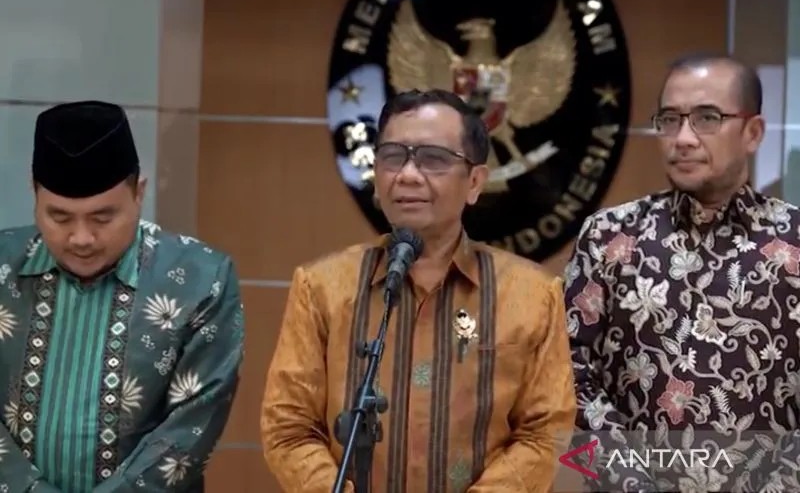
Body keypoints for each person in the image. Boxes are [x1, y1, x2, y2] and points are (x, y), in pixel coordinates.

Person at [261, 88, 576, 492]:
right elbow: (288, 428)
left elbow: (546, 433)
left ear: (475, 182)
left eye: (433, 159)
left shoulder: (532, 296)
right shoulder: (322, 288)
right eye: (393, 156)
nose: (408, 175)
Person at [565, 53, 800, 492]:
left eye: (707, 118)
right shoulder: (609, 237)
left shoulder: (794, 242)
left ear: (753, 132)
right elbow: (569, 375)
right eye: (670, 120)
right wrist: (630, 485)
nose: (684, 138)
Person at [0, 101, 245, 492]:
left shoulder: (200, 280)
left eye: (103, 218)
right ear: (34, 194)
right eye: (60, 217)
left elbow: (190, 428)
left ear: (138, 193)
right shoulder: (3, 267)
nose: (81, 238)